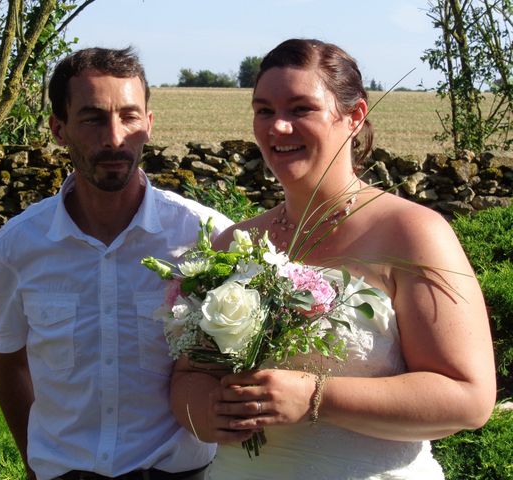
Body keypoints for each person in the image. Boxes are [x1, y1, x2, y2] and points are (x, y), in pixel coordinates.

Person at [170, 39, 496, 479]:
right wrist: (209, 412)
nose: (277, 128)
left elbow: (468, 398)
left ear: (355, 116)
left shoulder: (413, 233)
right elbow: (186, 378)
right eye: (264, 110)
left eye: (300, 109)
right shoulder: (234, 242)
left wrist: (315, 396)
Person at [0, 47, 232, 480]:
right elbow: (10, 362)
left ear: (150, 125)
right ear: (59, 129)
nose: (115, 137)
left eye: (130, 116)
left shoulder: (206, 237)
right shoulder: (17, 246)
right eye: (93, 118)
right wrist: (36, 461)